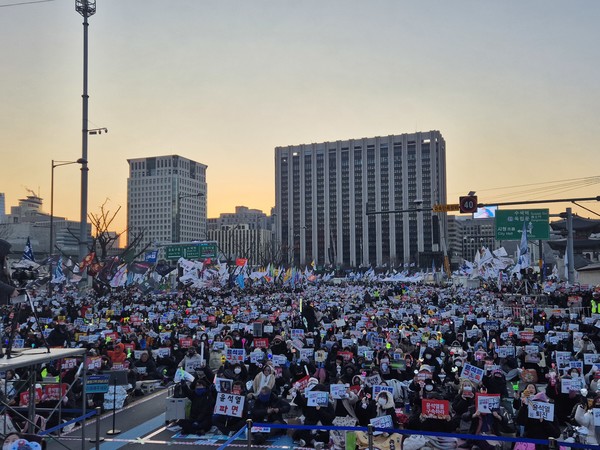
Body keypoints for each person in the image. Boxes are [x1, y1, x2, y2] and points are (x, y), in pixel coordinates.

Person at [0, 239, 18, 306]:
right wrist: (11, 290)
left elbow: (6, 280)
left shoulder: (2, 264)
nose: (7, 256)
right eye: (6, 253)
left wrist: (16, 289)